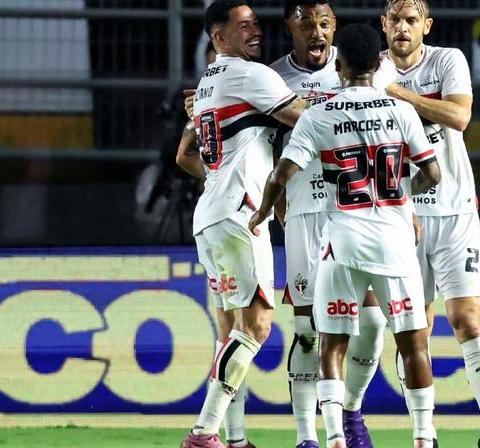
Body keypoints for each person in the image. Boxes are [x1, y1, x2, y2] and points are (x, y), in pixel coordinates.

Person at [249, 23, 441, 448]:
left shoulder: (320, 114)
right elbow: (432, 172)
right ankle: (424, 437)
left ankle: (334, 436)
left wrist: (263, 210)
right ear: (379, 63)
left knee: (331, 342)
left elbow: (282, 174)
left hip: (342, 240)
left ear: (339, 66)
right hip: (395, 240)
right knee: (413, 341)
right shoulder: (403, 111)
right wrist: (399, 196)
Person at [177, 1, 308, 448]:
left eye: (256, 24)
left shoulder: (207, 83)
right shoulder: (252, 76)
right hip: (240, 216)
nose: (255, 31)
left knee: (233, 330)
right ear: (218, 37)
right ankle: (203, 433)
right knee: (256, 326)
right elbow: (307, 119)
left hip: (212, 215)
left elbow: (184, 157)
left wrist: (220, 178)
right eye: (243, 26)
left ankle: (233, 440)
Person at [380, 1, 480, 447]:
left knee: (468, 319)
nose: (402, 27)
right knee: (414, 329)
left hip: (454, 211)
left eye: (411, 20)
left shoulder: (448, 60)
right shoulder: (368, 71)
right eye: (394, 19)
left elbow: (460, 116)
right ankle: (425, 434)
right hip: (400, 217)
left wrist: (401, 95)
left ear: (426, 26)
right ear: (383, 24)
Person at [267, 2, 393, 447]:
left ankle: (352, 411)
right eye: (306, 25)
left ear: (334, 26)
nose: (316, 32)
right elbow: (261, 146)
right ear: (290, 28)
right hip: (304, 213)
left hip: (361, 214)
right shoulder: (272, 79)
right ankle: (306, 436)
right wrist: (275, 200)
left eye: (324, 23)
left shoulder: (360, 67)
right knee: (306, 328)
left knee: (375, 321)